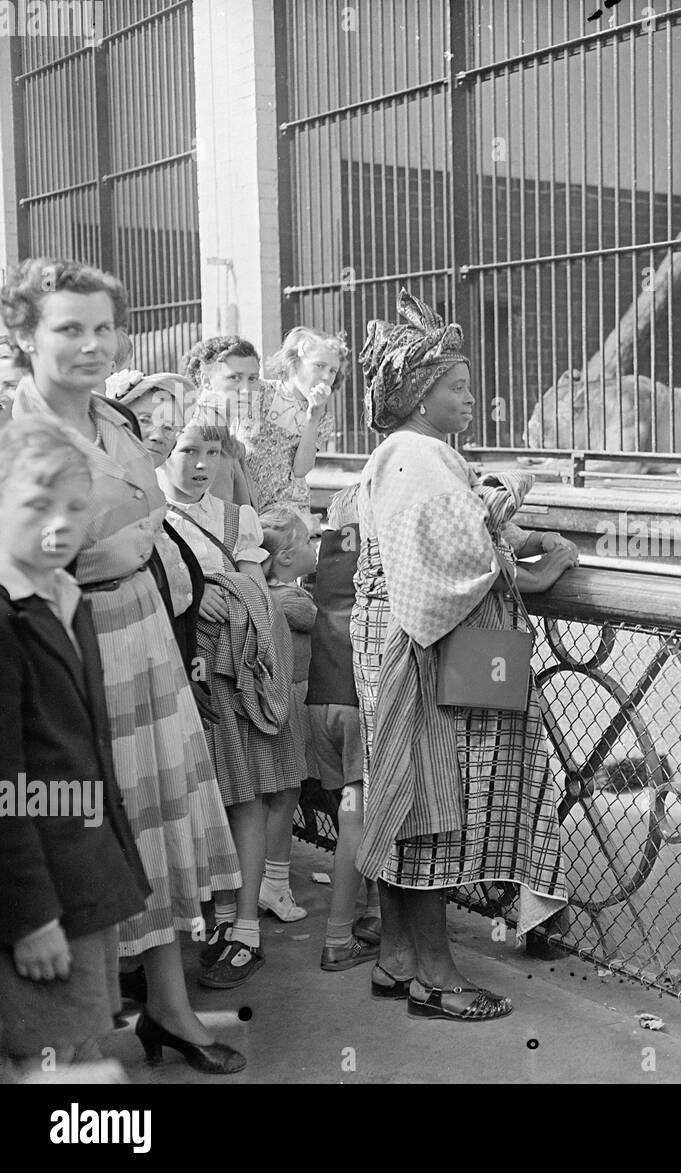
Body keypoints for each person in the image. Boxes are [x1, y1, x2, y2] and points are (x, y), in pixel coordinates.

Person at [0, 258, 244, 1074]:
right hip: (73, 639)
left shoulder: (119, 419)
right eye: (69, 327)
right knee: (96, 818)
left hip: (146, 627)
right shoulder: (15, 437)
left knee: (163, 815)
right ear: (25, 334)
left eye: (104, 327)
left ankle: (168, 1009)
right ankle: (64, 1043)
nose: (91, 344)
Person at [352, 291, 578, 1020]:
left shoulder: (407, 453)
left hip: (405, 639)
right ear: (420, 396)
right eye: (457, 387)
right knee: (431, 803)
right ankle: (436, 974)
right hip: (422, 647)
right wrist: (510, 494)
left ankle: (396, 957)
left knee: (404, 790)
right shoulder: (417, 454)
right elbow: (451, 554)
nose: (471, 400)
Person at [0, 418, 150, 1076]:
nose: (58, 526)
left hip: (85, 880)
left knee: (80, 1042)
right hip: (42, 897)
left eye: (75, 508)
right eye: (37, 505)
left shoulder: (63, 596)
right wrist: (29, 916)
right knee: (55, 1059)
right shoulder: (9, 615)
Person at [155, 421, 299, 988]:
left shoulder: (236, 519)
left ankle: (244, 931)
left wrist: (231, 592)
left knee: (246, 793)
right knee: (194, 795)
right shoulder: (149, 516)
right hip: (177, 664)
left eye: (213, 452)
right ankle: (207, 921)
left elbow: (256, 593)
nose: (202, 463)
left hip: (234, 671)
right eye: (190, 450)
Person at [309, 484, 382, 971]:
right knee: (358, 822)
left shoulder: (327, 558)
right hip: (357, 709)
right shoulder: (374, 556)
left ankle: (372, 914)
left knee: (348, 816)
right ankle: (338, 938)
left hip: (320, 707)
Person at [257, 504, 319, 923]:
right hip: (291, 703)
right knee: (286, 794)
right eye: (310, 540)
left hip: (270, 702)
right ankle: (275, 886)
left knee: (270, 796)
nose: (317, 545)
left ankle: (262, 878)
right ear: (285, 558)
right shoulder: (293, 601)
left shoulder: (262, 596)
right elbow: (321, 617)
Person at [240, 327, 348, 519]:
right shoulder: (261, 392)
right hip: (244, 497)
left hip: (286, 506)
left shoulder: (322, 418)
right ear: (295, 362)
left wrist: (313, 419)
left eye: (333, 371)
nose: (326, 376)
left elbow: (300, 469)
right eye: (319, 366)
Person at [181, 336, 259, 507]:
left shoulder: (226, 437)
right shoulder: (204, 437)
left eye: (252, 379)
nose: (246, 390)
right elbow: (219, 524)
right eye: (234, 378)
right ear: (206, 381)